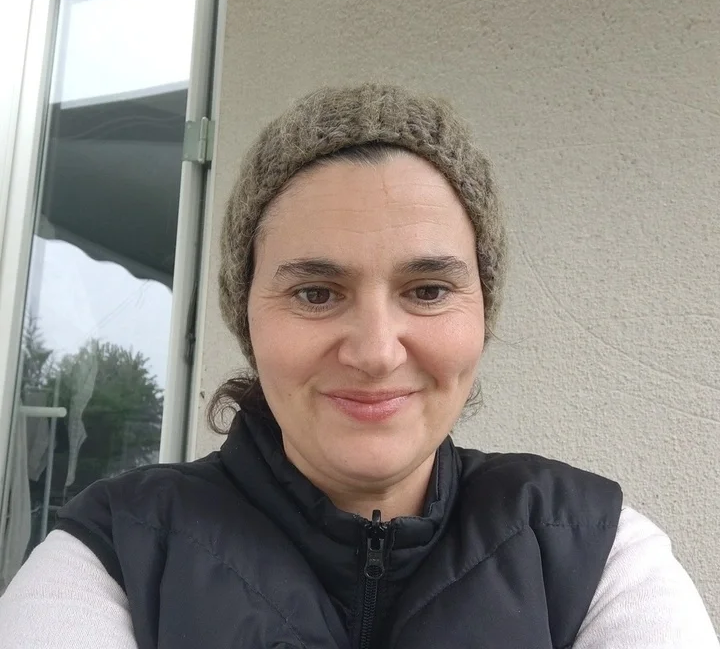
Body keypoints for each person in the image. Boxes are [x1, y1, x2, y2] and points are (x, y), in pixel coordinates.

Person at [0, 84, 717, 648]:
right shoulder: (113, 553)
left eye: (427, 291)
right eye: (316, 293)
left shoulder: (592, 549)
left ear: (482, 313)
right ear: (247, 317)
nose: (375, 352)